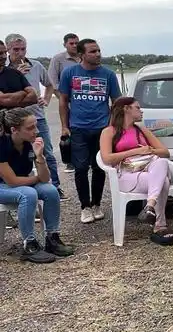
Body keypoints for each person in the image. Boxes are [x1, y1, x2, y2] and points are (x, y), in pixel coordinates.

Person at [58, 38, 122, 224]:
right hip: (78, 127)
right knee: (80, 168)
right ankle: (85, 206)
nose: (98, 54)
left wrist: (111, 126)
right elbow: (63, 101)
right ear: (81, 55)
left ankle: (96, 204)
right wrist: (64, 126)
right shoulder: (70, 73)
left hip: (102, 128)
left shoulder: (108, 75)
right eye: (93, 51)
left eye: (99, 50)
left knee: (99, 167)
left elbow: (116, 102)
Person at [100, 98, 173, 245]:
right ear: (126, 109)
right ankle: (160, 226)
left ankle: (149, 206)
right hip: (127, 175)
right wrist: (137, 151)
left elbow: (165, 152)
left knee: (161, 162)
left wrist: (149, 151)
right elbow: (107, 158)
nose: (141, 111)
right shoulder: (109, 132)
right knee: (164, 181)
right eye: (137, 107)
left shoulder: (141, 129)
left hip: (148, 170)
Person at [0, 107, 73, 263]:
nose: (36, 130)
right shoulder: (2, 145)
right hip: (3, 186)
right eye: (30, 128)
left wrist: (39, 156)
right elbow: (11, 181)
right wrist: (36, 179)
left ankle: (52, 238)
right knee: (28, 193)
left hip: (22, 182)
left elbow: (45, 178)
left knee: (51, 191)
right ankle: (30, 244)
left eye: (36, 125)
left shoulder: (30, 143)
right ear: (14, 130)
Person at [5, 33, 67, 201]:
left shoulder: (36, 65)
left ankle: (55, 187)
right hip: (13, 118)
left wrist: (46, 99)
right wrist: (14, 73)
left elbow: (49, 85)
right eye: (16, 49)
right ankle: (17, 188)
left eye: (23, 49)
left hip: (37, 116)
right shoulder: (5, 70)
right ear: (8, 49)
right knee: (13, 154)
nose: (20, 53)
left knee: (46, 152)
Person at [48, 33, 81, 173]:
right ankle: (70, 162)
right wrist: (62, 98)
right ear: (65, 44)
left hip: (83, 101)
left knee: (82, 129)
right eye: (71, 43)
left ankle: (87, 158)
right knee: (67, 129)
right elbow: (53, 81)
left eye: (76, 43)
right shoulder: (58, 59)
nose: (74, 45)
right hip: (66, 100)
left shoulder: (84, 56)